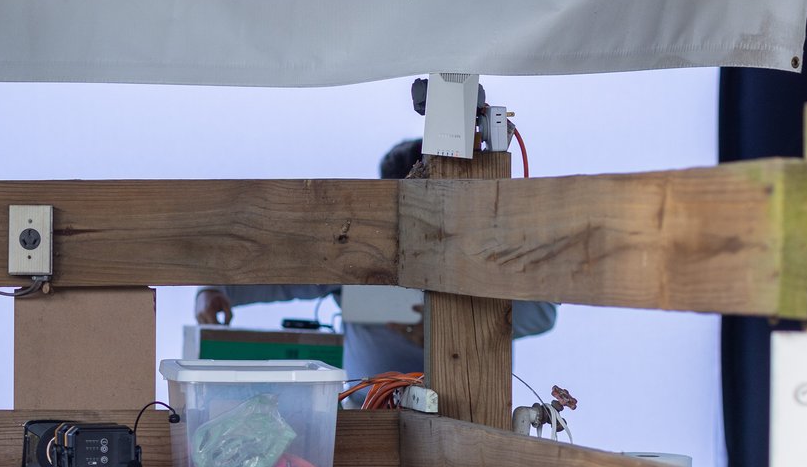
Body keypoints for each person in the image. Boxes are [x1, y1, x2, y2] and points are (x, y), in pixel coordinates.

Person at [193, 137, 558, 381]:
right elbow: (283, 274)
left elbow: (542, 314)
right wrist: (214, 290)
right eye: (398, 204)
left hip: (467, 413)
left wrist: (447, 326)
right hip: (370, 411)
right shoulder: (357, 250)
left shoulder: (481, 255)